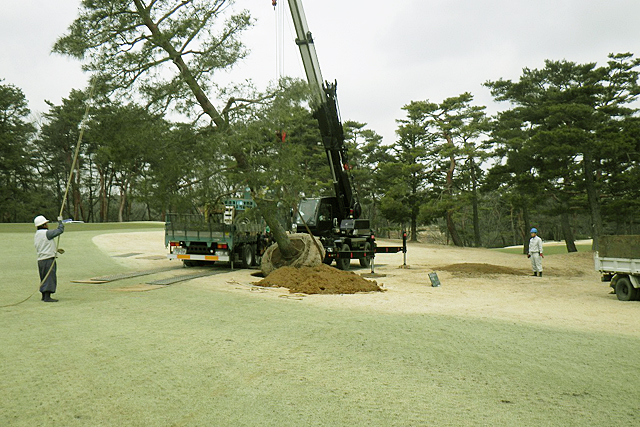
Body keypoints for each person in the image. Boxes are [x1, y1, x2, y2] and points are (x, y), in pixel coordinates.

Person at [34, 215, 64, 302]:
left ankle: (44, 295)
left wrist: (55, 249)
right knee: (49, 277)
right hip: (48, 259)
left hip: (41, 260)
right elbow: (60, 230)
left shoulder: (37, 235)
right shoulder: (46, 233)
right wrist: (60, 222)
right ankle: (47, 297)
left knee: (44, 277)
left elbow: (44, 245)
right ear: (43, 225)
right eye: (46, 223)